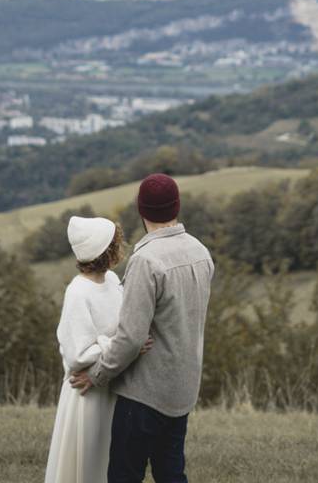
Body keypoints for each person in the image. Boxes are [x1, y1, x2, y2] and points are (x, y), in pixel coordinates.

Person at [70, 174, 215, 483]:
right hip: (183, 388)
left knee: (124, 475)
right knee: (172, 474)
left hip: (144, 394)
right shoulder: (202, 253)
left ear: (142, 210)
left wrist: (96, 375)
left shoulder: (146, 261)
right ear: (177, 206)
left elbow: (131, 337)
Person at [44, 216, 153, 483]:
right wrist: (125, 346)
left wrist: (131, 340)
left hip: (111, 383)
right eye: (115, 243)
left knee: (109, 460)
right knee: (87, 461)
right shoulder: (78, 292)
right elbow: (77, 353)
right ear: (105, 251)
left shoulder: (114, 281)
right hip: (87, 392)